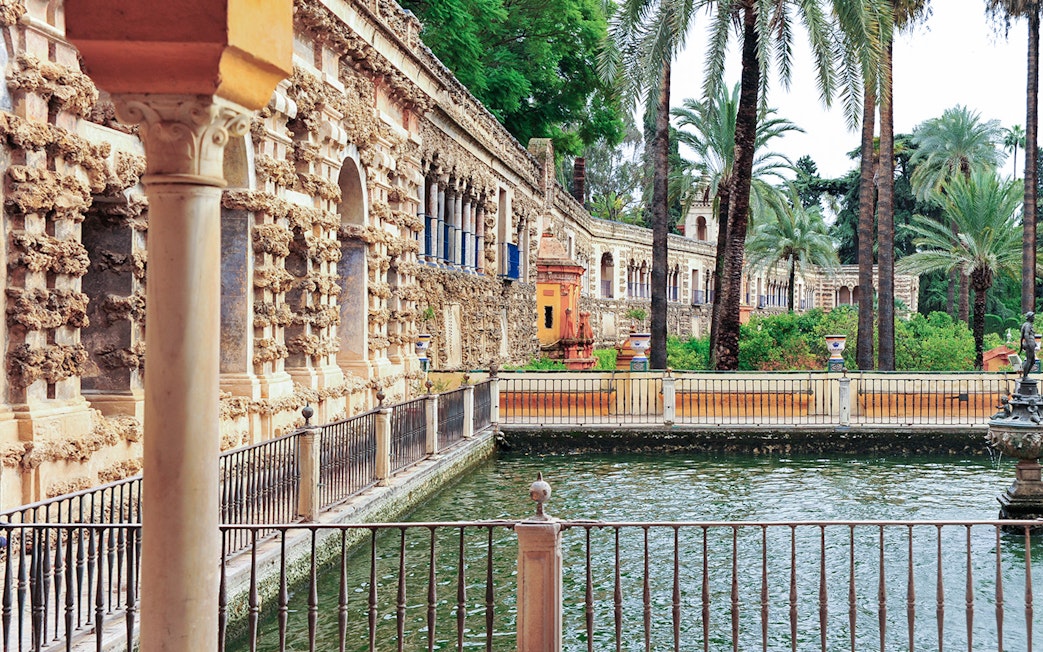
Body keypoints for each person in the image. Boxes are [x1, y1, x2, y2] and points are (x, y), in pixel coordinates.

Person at [1021, 311, 1036, 379]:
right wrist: (1029, 344)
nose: (1034, 318)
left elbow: (1022, 337)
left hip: (1030, 343)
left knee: (1032, 361)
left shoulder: (1026, 324)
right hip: (1029, 343)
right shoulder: (1028, 325)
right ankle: (1025, 376)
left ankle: (1025, 375)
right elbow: (1026, 334)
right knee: (1029, 360)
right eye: (1033, 317)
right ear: (1030, 318)